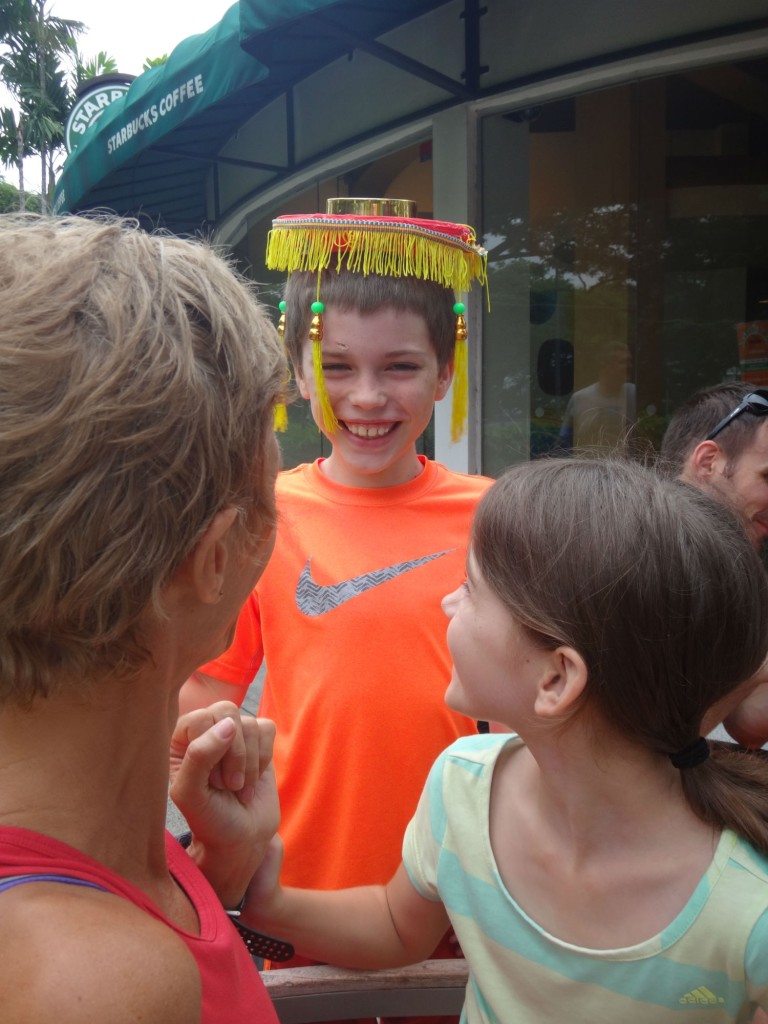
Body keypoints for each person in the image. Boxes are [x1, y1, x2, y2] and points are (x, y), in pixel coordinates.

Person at [240, 458, 768, 1023]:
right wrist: (265, 899)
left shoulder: (749, 914)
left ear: (556, 679)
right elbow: (397, 926)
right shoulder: (463, 784)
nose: (447, 602)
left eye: (470, 589)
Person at [179, 198, 492, 1016]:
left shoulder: (497, 519)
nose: (366, 397)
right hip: (293, 893)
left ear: (447, 371)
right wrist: (205, 747)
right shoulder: (263, 516)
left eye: (400, 367)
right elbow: (208, 686)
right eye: (338, 365)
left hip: (453, 902)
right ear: (296, 368)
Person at [0, 214, 287, 1024]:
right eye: (274, 465)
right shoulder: (92, 987)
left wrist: (215, 870)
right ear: (217, 557)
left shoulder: (85, 880)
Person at [660, 382, 768, 748]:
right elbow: (650, 738)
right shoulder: (643, 551)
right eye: (767, 477)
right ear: (709, 462)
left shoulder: (732, 565)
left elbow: (748, 723)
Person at [558, 340, 636, 453]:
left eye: (630, 361)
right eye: (623, 362)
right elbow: (564, 441)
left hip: (624, 465)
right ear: (605, 365)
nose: (629, 366)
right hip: (589, 463)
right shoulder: (580, 398)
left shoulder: (632, 393)